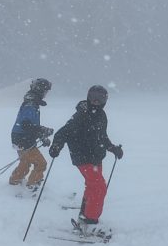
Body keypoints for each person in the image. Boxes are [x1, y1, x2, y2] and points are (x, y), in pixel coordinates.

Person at [48, 84, 123, 226]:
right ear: (88, 97)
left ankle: (85, 214)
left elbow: (102, 136)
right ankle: (90, 221)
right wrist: (57, 145)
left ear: (105, 100)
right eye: (93, 97)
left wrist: (112, 148)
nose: (96, 101)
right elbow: (64, 132)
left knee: (92, 186)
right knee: (99, 187)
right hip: (83, 156)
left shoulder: (101, 115)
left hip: (96, 157)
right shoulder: (81, 114)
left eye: (99, 98)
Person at [9, 77, 54, 189]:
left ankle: (14, 183)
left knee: (25, 162)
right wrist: (42, 131)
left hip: (18, 137)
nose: (46, 93)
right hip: (23, 138)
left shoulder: (31, 102)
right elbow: (26, 124)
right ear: (40, 90)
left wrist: (42, 133)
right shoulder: (31, 104)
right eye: (45, 91)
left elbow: (29, 125)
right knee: (41, 163)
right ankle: (33, 186)